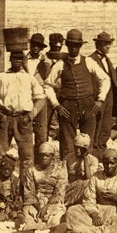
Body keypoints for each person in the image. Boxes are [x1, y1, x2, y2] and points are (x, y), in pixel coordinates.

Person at [44, 29, 110, 157]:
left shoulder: (89, 62)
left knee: (87, 142)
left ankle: (87, 171)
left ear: (80, 46)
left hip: (88, 105)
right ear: (67, 45)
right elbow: (47, 85)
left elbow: (105, 79)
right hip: (68, 107)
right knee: (67, 143)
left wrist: (100, 100)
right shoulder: (60, 64)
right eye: (71, 45)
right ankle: (68, 173)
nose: (73, 48)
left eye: (76, 45)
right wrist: (56, 105)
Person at [0, 50, 46, 190]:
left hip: (23, 120)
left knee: (26, 156)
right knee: (0, 154)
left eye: (20, 59)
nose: (17, 61)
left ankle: (24, 188)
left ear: (23, 61)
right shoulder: (1, 76)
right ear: (10, 59)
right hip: (5, 118)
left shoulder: (29, 78)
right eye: (14, 58)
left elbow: (41, 98)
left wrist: (32, 114)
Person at [65, 149, 117, 233]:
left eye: (112, 163)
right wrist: (94, 215)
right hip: (97, 209)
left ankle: (88, 232)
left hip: (116, 212)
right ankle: (102, 232)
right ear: (102, 163)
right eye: (106, 163)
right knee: (72, 211)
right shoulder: (96, 176)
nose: (109, 166)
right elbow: (89, 198)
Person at [22, 142, 67, 231]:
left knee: (57, 215)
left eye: (47, 155)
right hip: (36, 202)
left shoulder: (60, 171)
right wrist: (39, 208)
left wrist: (46, 207)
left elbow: (59, 191)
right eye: (42, 155)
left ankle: (53, 228)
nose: (44, 158)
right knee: (27, 213)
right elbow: (29, 192)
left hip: (53, 202)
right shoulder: (32, 170)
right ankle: (31, 229)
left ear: (52, 157)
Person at [89, 32, 117, 157]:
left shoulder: (107, 59)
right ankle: (94, 151)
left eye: (109, 44)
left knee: (106, 125)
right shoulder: (91, 59)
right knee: (97, 123)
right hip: (99, 97)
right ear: (99, 44)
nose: (108, 46)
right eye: (105, 44)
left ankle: (101, 150)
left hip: (109, 97)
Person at [24, 33, 51, 153]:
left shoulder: (46, 62)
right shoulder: (23, 60)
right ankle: (27, 155)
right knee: (26, 126)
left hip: (40, 98)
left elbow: (49, 81)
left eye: (38, 46)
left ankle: (40, 156)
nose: (35, 48)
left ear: (41, 48)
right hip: (25, 97)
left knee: (41, 128)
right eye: (34, 45)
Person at [0, 154, 23, 231]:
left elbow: (18, 197)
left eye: (9, 169)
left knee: (19, 214)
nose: (6, 171)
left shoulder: (16, 181)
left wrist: (13, 205)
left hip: (12, 206)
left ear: (13, 170)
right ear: (1, 168)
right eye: (5, 169)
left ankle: (17, 222)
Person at [63, 133, 101, 206]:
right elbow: (63, 177)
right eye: (76, 147)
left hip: (83, 191)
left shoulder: (93, 160)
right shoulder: (68, 158)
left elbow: (88, 178)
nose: (78, 150)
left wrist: (85, 158)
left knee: (87, 183)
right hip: (69, 189)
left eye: (81, 148)